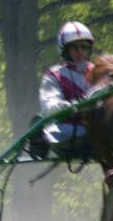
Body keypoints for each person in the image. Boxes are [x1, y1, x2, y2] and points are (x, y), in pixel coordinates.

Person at [39, 21, 95, 155]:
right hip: (66, 132)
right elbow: (49, 107)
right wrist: (75, 106)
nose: (80, 51)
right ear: (65, 50)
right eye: (75, 48)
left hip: (96, 130)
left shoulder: (98, 71)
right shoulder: (54, 75)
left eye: (84, 47)